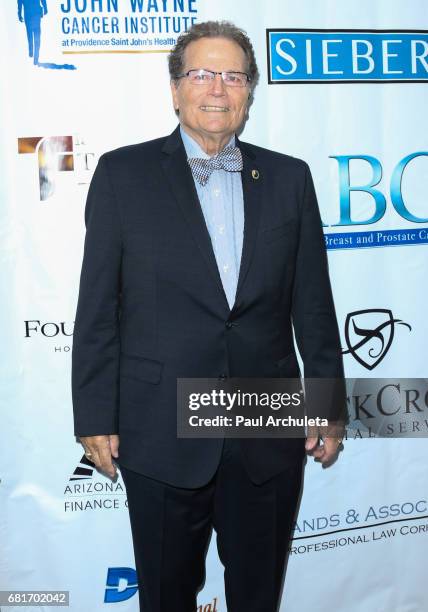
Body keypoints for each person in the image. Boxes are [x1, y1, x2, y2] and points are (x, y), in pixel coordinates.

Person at [72, 20, 344, 612]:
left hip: (264, 423)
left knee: (257, 593)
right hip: (158, 425)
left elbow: (314, 307)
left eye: (233, 76)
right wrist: (95, 414)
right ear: (175, 90)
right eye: (201, 74)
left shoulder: (289, 177)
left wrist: (325, 406)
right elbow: (97, 309)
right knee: (167, 595)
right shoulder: (124, 175)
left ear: (249, 91)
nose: (217, 89)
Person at [17, 0, 48, 66]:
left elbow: (19, 3)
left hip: (29, 14)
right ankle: (34, 57)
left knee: (30, 35)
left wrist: (19, 14)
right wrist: (45, 8)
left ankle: (32, 54)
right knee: (36, 36)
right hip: (35, 13)